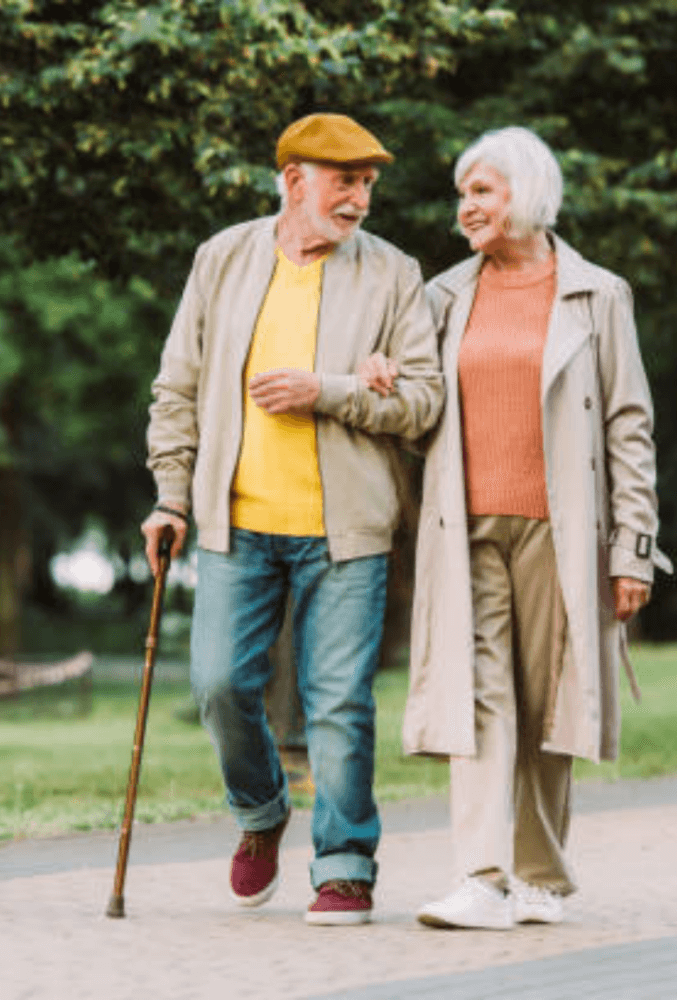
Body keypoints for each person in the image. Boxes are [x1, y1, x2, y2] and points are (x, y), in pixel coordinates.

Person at [362, 126, 671, 930]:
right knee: (479, 698)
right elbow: (419, 412)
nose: (465, 207)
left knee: (548, 704)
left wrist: (632, 549)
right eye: (461, 194)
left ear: (526, 193)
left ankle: (541, 879)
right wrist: (383, 378)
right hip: (464, 528)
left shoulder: (599, 295)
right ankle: (480, 876)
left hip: (561, 532)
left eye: (482, 192)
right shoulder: (442, 296)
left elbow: (630, 426)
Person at [141, 113, 444, 926]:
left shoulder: (393, 274)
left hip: (346, 532)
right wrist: (171, 495)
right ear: (294, 180)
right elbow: (176, 389)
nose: (360, 200)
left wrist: (331, 392)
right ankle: (261, 809)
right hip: (235, 527)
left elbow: (424, 403)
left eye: (368, 184)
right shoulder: (223, 259)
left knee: (339, 702)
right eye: (345, 181)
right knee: (218, 686)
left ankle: (345, 865)